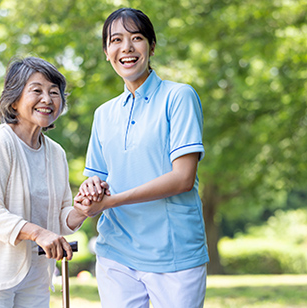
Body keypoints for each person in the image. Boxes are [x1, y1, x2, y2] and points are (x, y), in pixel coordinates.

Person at [74, 8, 209, 308]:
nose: (127, 48)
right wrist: (92, 190)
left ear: (151, 46)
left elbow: (183, 178)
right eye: (116, 40)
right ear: (107, 52)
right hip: (116, 252)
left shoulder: (179, 97)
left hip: (174, 254)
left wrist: (112, 201)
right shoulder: (104, 114)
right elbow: (97, 177)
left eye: (136, 38)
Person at [0, 56, 91, 307]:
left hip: (37, 275)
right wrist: (38, 233)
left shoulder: (56, 153)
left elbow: (59, 219)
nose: (47, 99)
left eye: (54, 92)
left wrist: (83, 210)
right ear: (14, 100)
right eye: (36, 90)